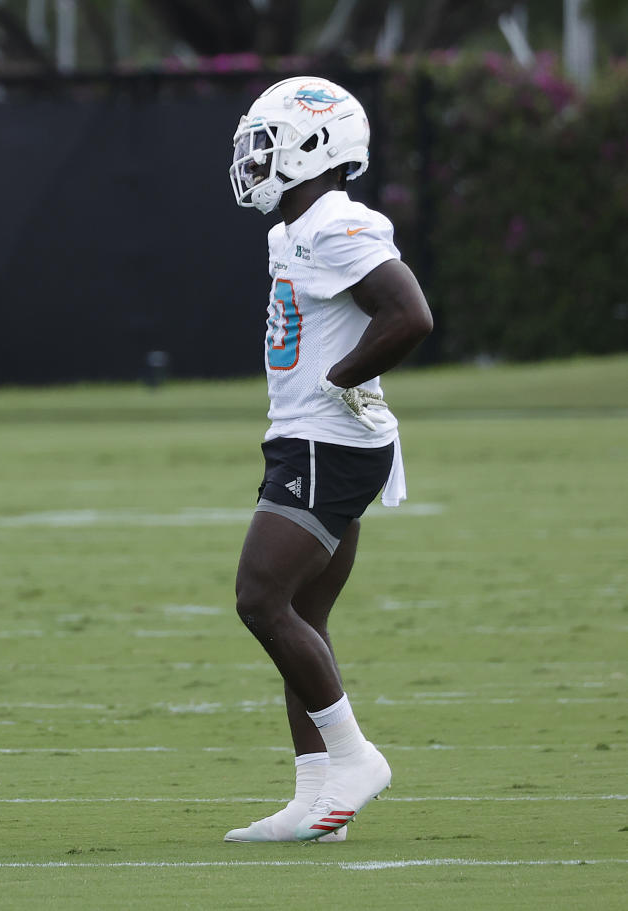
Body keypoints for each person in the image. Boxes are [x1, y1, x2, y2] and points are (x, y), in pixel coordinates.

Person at [222, 77, 433, 843]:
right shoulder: (293, 228)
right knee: (303, 612)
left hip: (329, 443)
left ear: (317, 148)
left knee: (260, 597)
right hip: (310, 438)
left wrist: (343, 378)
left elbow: (410, 313)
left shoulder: (336, 225)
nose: (253, 158)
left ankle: (354, 757)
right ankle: (317, 797)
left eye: (267, 143)